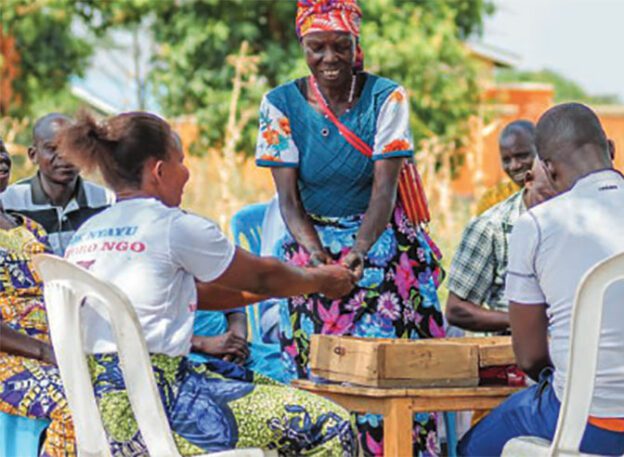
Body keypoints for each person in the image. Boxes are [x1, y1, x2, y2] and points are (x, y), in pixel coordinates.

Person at [59, 111, 359, 456]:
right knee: (330, 423)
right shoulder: (172, 226)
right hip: (161, 407)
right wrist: (321, 280)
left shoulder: (86, 234)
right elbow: (262, 275)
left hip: (97, 412)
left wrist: (276, 288)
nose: (187, 173)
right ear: (159, 171)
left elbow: (195, 294)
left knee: (272, 390)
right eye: (181, 161)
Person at [255, 1, 445, 455]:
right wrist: (319, 263)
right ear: (302, 47)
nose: (329, 58)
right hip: (311, 246)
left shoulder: (386, 98)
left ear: (356, 45)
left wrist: (356, 254)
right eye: (316, 47)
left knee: (388, 378)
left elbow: (384, 192)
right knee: (320, 380)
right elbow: (288, 202)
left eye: (340, 46)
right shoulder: (279, 104)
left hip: (379, 246)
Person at [458, 103, 624, 456]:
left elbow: (530, 357)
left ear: (547, 168)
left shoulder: (536, 226)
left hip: (587, 424)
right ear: (610, 149)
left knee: (469, 446)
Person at [0, 137, 76, 456]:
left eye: (2, 151)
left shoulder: (31, 229)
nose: (1, 159)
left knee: (119, 391)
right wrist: (46, 352)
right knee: (77, 405)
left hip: (54, 349)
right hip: (9, 358)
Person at [446, 154, 556, 334]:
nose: (554, 207)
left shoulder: (574, 221)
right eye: (546, 197)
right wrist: (526, 320)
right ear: (529, 181)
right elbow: (457, 310)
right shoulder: (490, 227)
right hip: (513, 344)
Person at [1, 113, 113, 256]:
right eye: (52, 148)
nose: (64, 155)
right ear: (33, 155)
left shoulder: (105, 201)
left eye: (72, 147)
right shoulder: (9, 202)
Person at [474, 120, 536, 215]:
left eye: (522, 156)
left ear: (541, 151)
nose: (514, 166)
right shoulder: (493, 200)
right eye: (506, 160)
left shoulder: (557, 193)